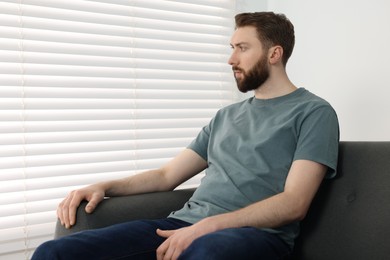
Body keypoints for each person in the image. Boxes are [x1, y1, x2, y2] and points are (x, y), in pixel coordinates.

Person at [32, 11, 339, 260]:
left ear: (274, 54)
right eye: (231, 48)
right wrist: (103, 186)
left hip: (255, 236)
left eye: (242, 48)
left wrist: (209, 226)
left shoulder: (313, 113)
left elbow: (294, 202)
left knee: (206, 252)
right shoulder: (226, 116)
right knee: (53, 252)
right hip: (183, 225)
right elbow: (166, 176)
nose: (231, 59)